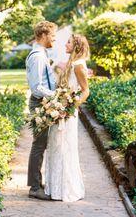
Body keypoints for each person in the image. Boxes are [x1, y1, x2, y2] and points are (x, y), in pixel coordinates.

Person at [44, 34, 90, 201]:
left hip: (67, 113)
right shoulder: (71, 62)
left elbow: (86, 91)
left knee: (64, 149)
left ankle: (66, 189)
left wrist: (69, 108)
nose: (65, 43)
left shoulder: (78, 65)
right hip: (60, 110)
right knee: (56, 147)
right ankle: (55, 189)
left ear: (76, 46)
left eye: (69, 42)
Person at [26, 20, 58, 200]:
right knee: (39, 145)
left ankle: (37, 182)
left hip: (43, 103)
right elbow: (37, 87)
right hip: (40, 104)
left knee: (41, 144)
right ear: (44, 35)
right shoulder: (37, 57)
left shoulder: (42, 54)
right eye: (52, 35)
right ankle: (35, 187)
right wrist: (55, 96)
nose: (54, 39)